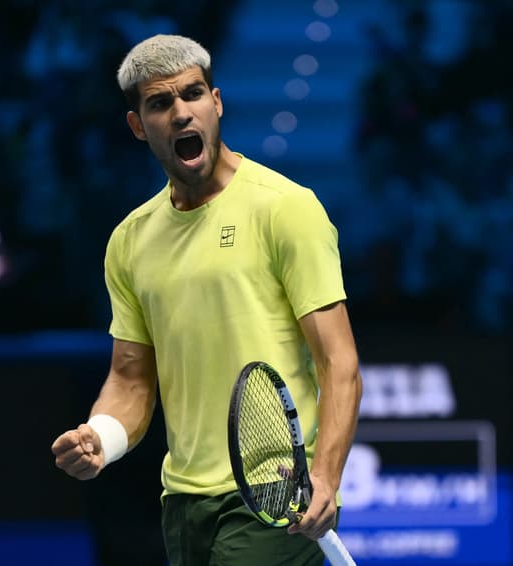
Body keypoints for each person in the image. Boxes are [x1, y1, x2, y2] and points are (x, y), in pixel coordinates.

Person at [50, 34, 363, 565]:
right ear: (137, 126)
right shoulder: (130, 241)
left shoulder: (286, 209)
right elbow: (130, 379)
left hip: (275, 496)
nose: (180, 113)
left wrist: (326, 474)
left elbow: (340, 362)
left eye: (193, 95)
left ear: (216, 103)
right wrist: (100, 436)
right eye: (159, 103)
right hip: (183, 504)